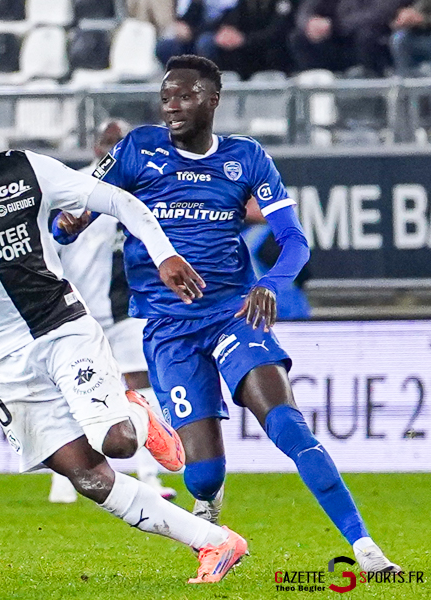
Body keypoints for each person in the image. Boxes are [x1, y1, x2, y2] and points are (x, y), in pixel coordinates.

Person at [0, 69, 249, 584]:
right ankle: (215, 543)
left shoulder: (25, 170)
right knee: (88, 477)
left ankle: (137, 418)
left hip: (60, 328)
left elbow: (118, 200)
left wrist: (164, 254)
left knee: (117, 444)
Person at [53, 55, 400, 573]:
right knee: (203, 473)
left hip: (234, 313)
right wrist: (71, 221)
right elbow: (73, 216)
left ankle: (366, 549)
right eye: (166, 96)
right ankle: (209, 509)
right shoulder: (137, 149)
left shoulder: (247, 157)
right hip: (170, 328)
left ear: (213, 100)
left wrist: (270, 284)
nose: (172, 105)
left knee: (286, 425)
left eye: (185, 96)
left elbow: (294, 241)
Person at [49, 118, 177, 504]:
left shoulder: (146, 185)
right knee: (74, 390)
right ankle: (65, 478)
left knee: (139, 383)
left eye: (119, 144)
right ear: (95, 148)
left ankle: (149, 476)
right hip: (80, 310)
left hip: (125, 311)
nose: (112, 151)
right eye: (107, 143)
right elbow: (53, 243)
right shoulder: (77, 187)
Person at [288, 0, 408, 76]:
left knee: (366, 36)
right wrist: (310, 22)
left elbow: (382, 13)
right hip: (335, 38)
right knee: (299, 37)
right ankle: (316, 91)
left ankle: (371, 93)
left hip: (373, 39)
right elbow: (306, 9)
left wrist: (334, 26)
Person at [390, 1, 431, 75]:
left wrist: (423, 20)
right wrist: (405, 19)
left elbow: (423, 18)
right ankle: (405, 77)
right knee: (398, 37)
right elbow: (420, 9)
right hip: (421, 33)